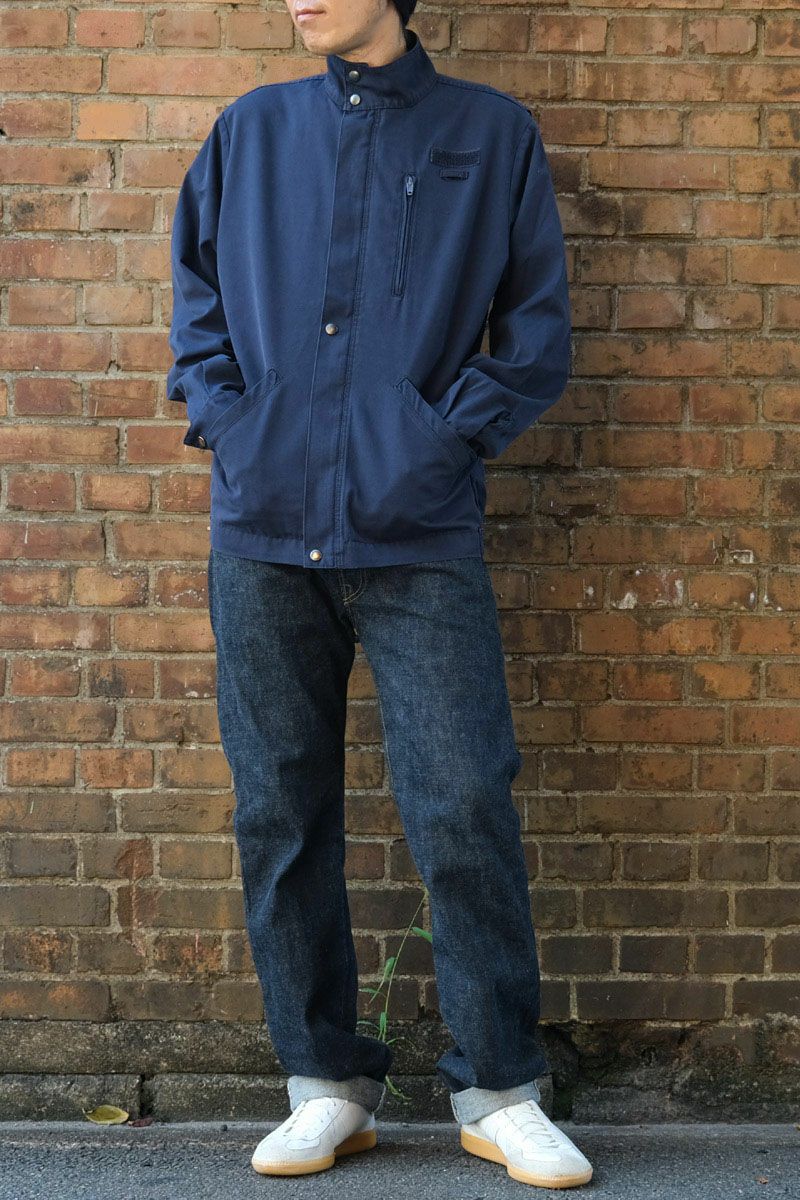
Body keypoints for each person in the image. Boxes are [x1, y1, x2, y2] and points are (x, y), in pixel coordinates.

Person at [167, 0, 591, 1188]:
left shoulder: (489, 135)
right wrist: (234, 422)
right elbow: (195, 301)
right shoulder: (250, 131)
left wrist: (437, 443)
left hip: (420, 533)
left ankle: (498, 1089)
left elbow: (533, 331)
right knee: (280, 811)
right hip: (263, 532)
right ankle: (324, 1085)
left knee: (462, 802)